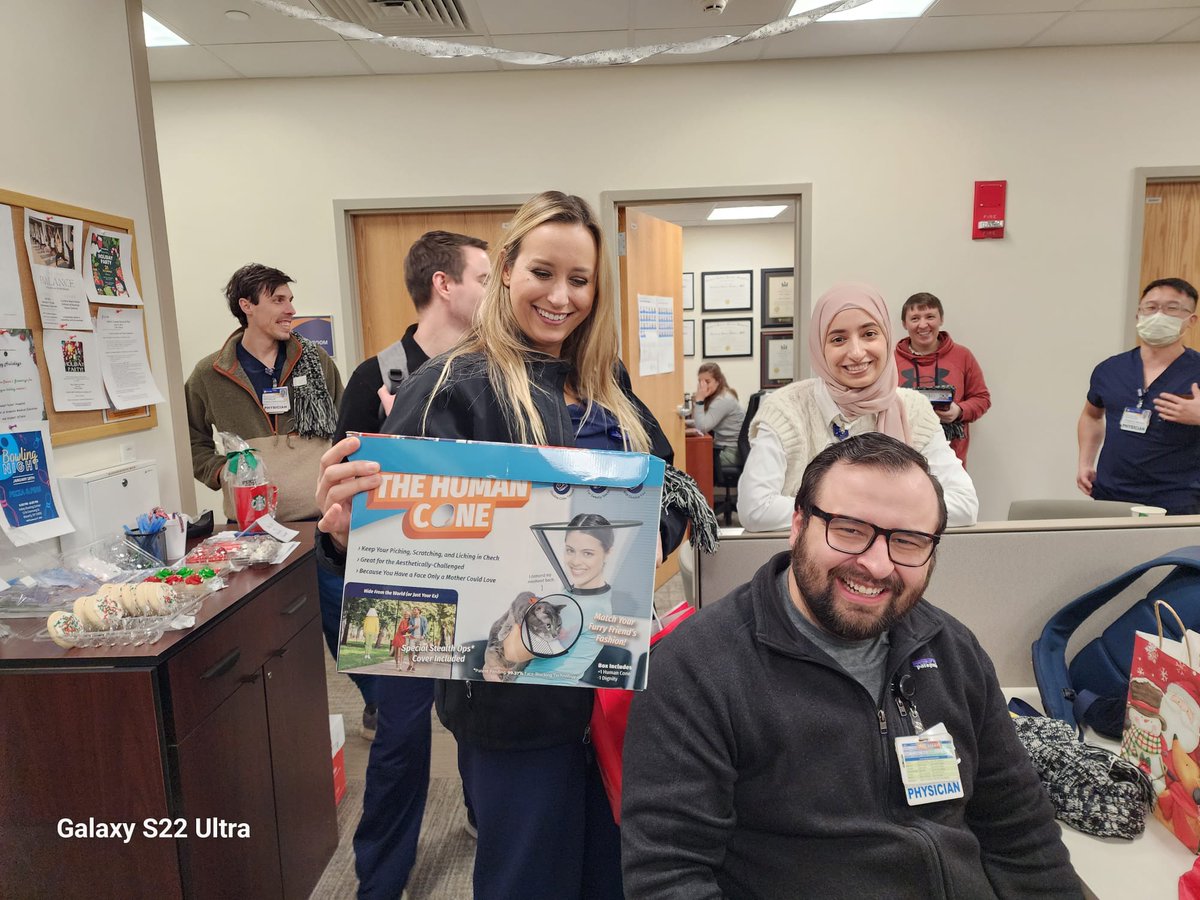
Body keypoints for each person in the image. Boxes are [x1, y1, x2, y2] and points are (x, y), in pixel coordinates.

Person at [314, 191, 706, 900]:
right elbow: (398, 562)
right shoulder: (448, 388)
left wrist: (656, 539)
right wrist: (350, 539)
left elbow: (671, 486)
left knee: (615, 875)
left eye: (579, 280)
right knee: (528, 879)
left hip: (614, 687)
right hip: (511, 704)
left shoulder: (608, 382)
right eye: (543, 273)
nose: (561, 297)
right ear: (505, 270)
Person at [622, 433, 1081, 898]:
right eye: (850, 530)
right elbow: (668, 877)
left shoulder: (951, 649)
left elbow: (1022, 833)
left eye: (907, 540)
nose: (878, 565)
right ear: (798, 525)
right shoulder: (699, 666)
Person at [314, 231, 489, 898]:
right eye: (483, 276)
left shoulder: (496, 371)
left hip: (478, 579)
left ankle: (481, 816)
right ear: (444, 284)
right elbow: (347, 493)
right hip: (400, 587)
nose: (493, 290)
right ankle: (380, 879)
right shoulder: (376, 376)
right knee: (400, 738)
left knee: (481, 719)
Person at [736, 283, 978, 532]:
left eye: (869, 334)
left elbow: (964, 504)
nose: (856, 352)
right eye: (838, 339)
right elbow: (756, 509)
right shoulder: (786, 409)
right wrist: (875, 508)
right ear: (819, 346)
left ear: (887, 338)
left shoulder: (913, 409)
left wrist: (842, 512)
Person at [184, 263, 342, 523]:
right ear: (247, 306)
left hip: (320, 519)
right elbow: (188, 440)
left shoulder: (316, 359)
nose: (290, 310)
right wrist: (220, 471)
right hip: (249, 523)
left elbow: (345, 427)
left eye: (290, 300)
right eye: (278, 300)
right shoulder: (209, 373)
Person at [1078, 277, 1200, 515]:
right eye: (1151, 307)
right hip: (1111, 494)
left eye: (1171, 308)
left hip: (1178, 498)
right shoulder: (1110, 369)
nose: (1158, 315)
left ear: (1191, 320)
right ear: (1138, 315)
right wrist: (1084, 462)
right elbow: (1091, 416)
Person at [894, 291, 991, 467]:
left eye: (930, 316)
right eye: (915, 318)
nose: (923, 325)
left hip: (952, 461)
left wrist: (959, 411)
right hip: (903, 460)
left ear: (941, 319)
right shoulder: (889, 361)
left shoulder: (963, 356)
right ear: (904, 324)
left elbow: (982, 399)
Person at [685, 362, 746, 468]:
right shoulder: (718, 396)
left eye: (707, 382)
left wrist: (699, 400)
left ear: (718, 381)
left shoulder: (723, 399)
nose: (703, 386)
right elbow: (701, 421)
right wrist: (685, 423)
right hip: (724, 448)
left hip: (731, 452)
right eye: (700, 382)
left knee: (693, 458)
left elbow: (702, 427)